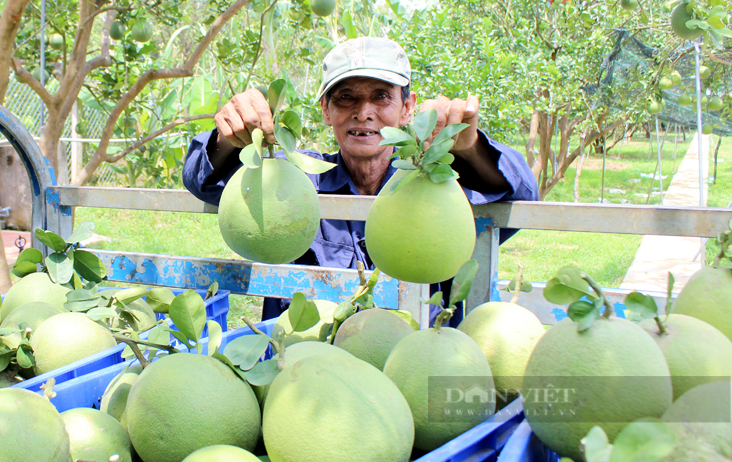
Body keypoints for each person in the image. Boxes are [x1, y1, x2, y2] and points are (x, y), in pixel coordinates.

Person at [183, 37, 538, 326]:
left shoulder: (437, 191)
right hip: (307, 367)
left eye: (381, 96)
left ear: (408, 107)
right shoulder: (300, 184)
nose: (363, 111)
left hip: (414, 364)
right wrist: (228, 139)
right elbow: (203, 180)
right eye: (345, 97)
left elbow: (520, 194)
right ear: (326, 110)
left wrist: (469, 149)